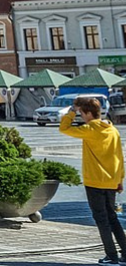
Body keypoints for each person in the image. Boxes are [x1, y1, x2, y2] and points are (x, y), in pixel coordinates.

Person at [60, 96, 126, 265]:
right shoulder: (113, 130)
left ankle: (111, 256)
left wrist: (71, 112)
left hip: (95, 181)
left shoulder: (89, 129)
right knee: (112, 218)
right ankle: (125, 253)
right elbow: (119, 156)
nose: (81, 116)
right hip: (112, 181)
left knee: (101, 219)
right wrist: (120, 180)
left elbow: (64, 128)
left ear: (88, 113)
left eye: (81, 113)